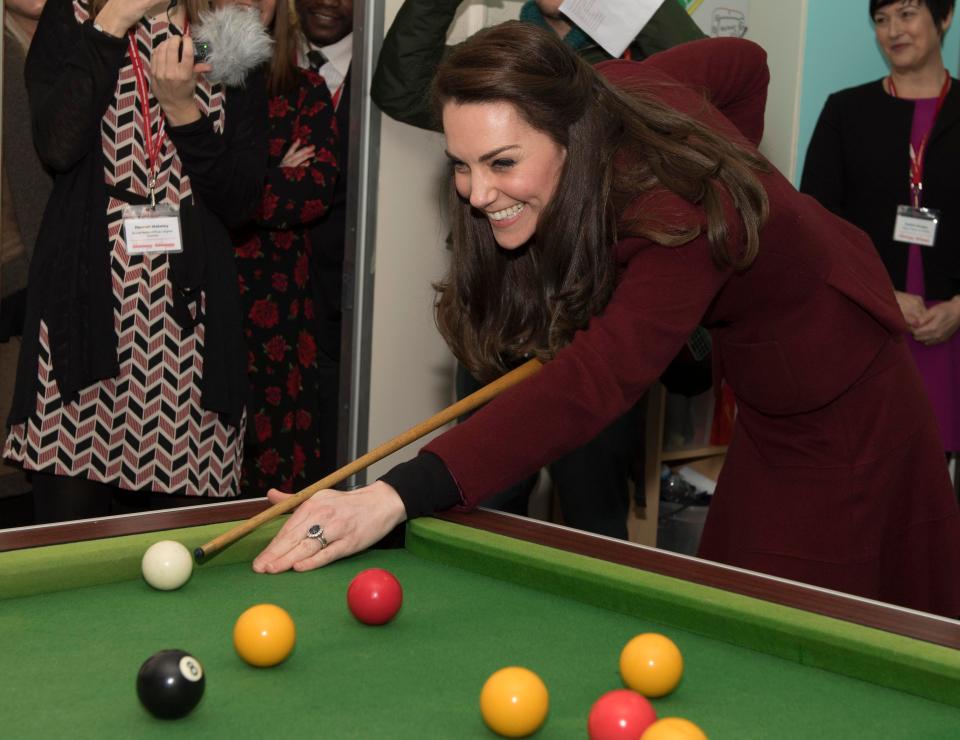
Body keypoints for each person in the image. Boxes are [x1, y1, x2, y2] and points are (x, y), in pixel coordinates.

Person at [251, 23, 960, 617]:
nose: (476, 193)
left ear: (567, 136)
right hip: (772, 389)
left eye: (502, 162)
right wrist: (725, 173)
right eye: (461, 165)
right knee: (733, 598)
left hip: (847, 384)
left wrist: (394, 497)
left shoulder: (675, 214)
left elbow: (593, 383)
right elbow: (746, 65)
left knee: (808, 614)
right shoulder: (613, 92)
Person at [371, 0, 711, 539]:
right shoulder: (501, 53)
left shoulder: (630, 65)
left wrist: (628, 8)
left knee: (593, 507)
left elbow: (709, 93)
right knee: (482, 496)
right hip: (503, 306)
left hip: (598, 318)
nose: (479, 185)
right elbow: (399, 84)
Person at [2, 0, 268, 522]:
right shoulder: (73, 18)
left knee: (182, 531)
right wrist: (114, 22)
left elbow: (240, 200)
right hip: (83, 305)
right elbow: (56, 145)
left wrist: (183, 114)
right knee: (70, 533)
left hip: (190, 320)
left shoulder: (221, 33)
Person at [801, 1, 960, 466]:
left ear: (944, 16)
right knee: (866, 471)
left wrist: (958, 309)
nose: (894, 31)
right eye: (881, 19)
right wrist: (880, 294)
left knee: (935, 484)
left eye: (908, 14)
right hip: (867, 323)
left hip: (950, 328)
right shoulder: (845, 112)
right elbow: (816, 226)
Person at [227, 0, 344, 495]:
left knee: (275, 471)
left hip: (279, 311)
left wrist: (232, 189)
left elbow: (313, 193)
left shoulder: (305, 90)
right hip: (200, 299)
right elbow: (173, 190)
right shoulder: (182, 83)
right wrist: (274, 176)